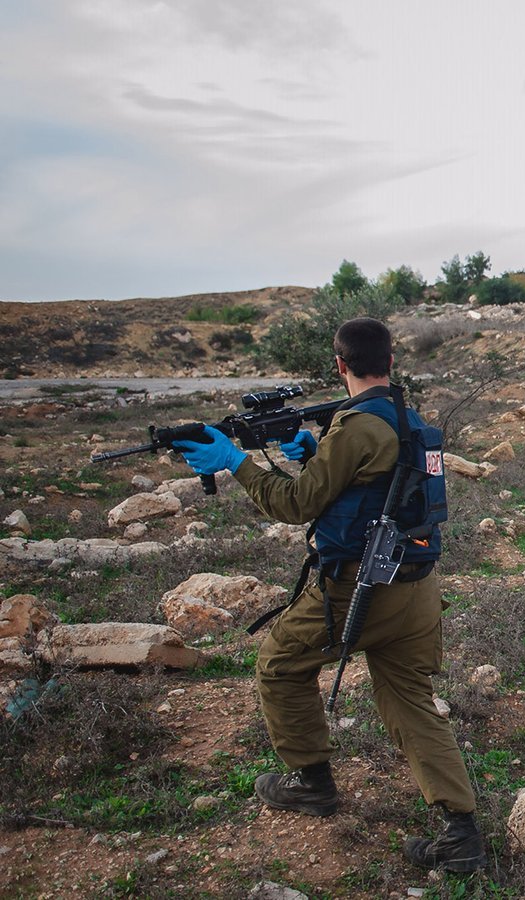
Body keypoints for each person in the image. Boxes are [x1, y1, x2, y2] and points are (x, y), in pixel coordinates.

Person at [170, 318, 484, 873]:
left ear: (340, 364)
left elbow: (295, 506)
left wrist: (236, 462)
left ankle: (309, 781)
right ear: (390, 361)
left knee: (279, 664)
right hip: (417, 588)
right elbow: (377, 486)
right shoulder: (410, 421)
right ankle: (461, 833)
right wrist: (314, 450)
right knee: (409, 700)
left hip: (359, 589)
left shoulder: (358, 427)